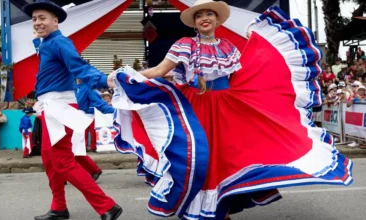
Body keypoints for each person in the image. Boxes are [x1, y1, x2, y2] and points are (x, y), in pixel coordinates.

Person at [107, 1, 353, 219]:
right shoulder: (184, 45)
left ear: (216, 19)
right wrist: (127, 76)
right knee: (199, 159)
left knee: (227, 160)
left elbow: (244, 78)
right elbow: (159, 71)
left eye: (209, 14)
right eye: (199, 15)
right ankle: (200, 206)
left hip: (226, 108)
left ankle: (219, 208)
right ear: (194, 22)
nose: (205, 18)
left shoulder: (228, 48)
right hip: (196, 107)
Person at [22, 1, 122, 220]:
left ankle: (107, 206)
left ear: (55, 20)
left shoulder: (60, 42)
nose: (37, 22)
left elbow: (79, 66)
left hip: (61, 107)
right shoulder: (47, 43)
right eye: (35, 19)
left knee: (63, 161)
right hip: (50, 107)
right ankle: (59, 207)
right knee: (50, 159)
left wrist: (103, 79)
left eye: (43, 18)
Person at [75, 78, 115, 152]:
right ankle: (82, 147)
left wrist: (114, 111)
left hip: (89, 115)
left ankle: (92, 147)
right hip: (75, 116)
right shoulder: (72, 87)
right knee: (81, 133)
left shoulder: (88, 88)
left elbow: (99, 103)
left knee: (91, 132)